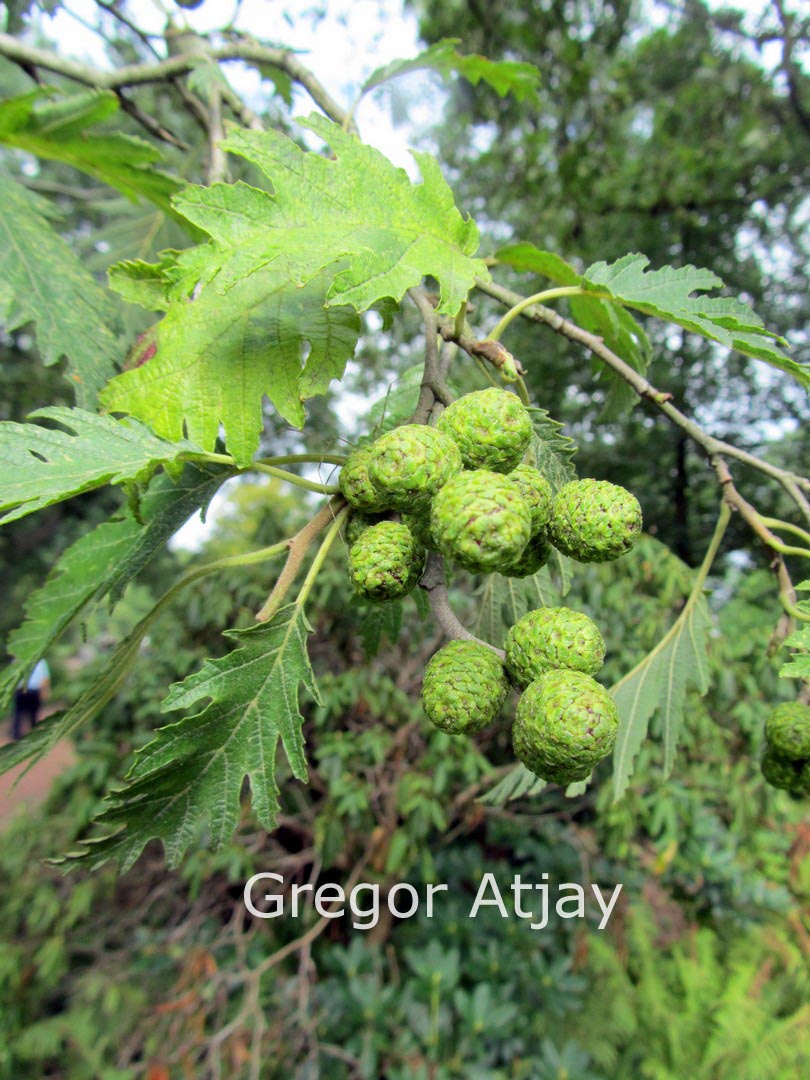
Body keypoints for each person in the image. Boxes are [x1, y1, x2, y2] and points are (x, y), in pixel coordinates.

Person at [12, 658, 50, 741]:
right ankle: (33, 734)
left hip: (21, 691)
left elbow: (12, 677)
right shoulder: (41, 662)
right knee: (33, 713)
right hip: (33, 691)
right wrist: (46, 691)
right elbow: (45, 678)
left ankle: (16, 734)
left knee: (19, 712)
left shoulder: (18, 660)